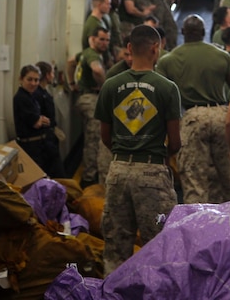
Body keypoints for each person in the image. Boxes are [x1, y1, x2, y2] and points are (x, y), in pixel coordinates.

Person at [95, 25, 181, 274]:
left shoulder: (111, 85)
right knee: (158, 245)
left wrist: (125, 152)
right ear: (157, 49)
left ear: (129, 48)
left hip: (118, 171)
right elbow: (174, 142)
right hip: (153, 172)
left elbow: (105, 136)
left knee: (115, 247)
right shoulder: (167, 88)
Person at [156, 15, 230, 203]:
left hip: (192, 117)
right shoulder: (222, 56)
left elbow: (160, 97)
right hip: (221, 116)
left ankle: (197, 228)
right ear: (204, 33)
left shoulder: (168, 61)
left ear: (182, 32)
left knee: (195, 181)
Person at [67, 26, 110, 187]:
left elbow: (71, 61)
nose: (105, 43)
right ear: (92, 39)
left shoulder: (85, 53)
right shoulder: (92, 54)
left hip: (84, 97)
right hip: (91, 98)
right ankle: (89, 177)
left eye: (107, 40)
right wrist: (106, 86)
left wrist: (72, 83)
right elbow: (97, 70)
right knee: (94, 138)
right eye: (101, 39)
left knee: (92, 136)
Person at [13, 64, 64, 178]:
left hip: (40, 145)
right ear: (21, 79)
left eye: (36, 80)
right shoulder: (22, 98)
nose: (33, 83)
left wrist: (40, 119)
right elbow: (36, 123)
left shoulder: (30, 96)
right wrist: (39, 119)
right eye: (29, 79)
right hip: (32, 146)